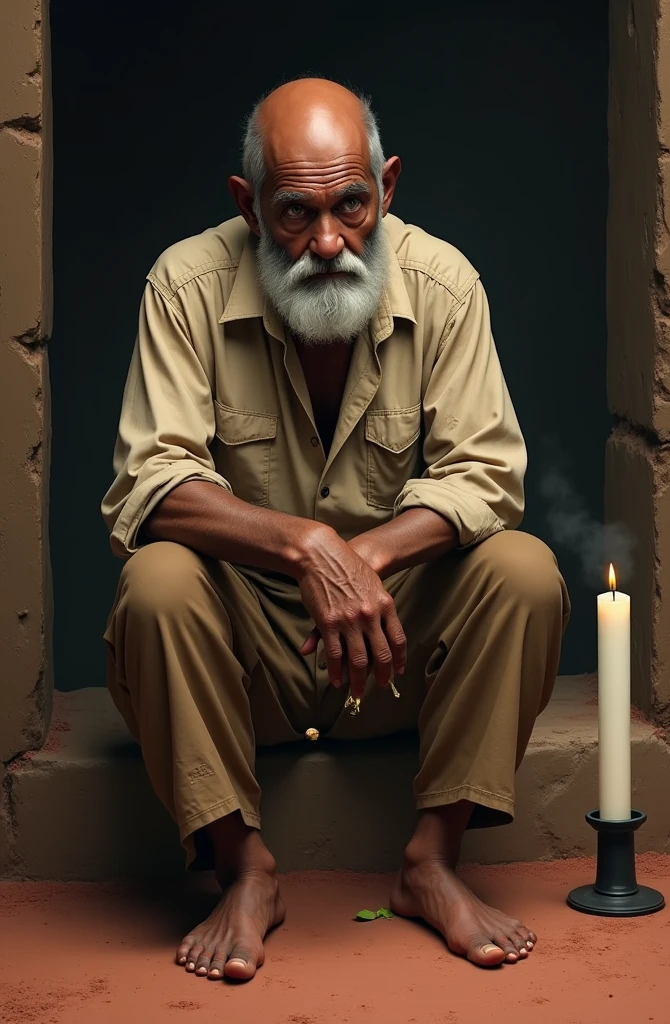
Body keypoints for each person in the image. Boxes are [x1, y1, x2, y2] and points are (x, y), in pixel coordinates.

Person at [101, 76, 569, 982]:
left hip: (393, 653)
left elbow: (490, 475)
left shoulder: (444, 284)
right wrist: (304, 546)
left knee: (523, 568)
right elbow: (147, 485)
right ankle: (244, 869)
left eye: (352, 204)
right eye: (294, 212)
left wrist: (363, 560)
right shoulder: (184, 286)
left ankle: (432, 862)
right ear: (247, 205)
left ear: (388, 186)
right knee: (156, 583)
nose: (326, 241)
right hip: (245, 668)